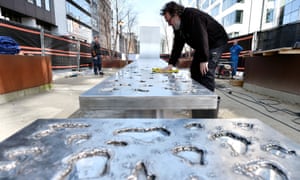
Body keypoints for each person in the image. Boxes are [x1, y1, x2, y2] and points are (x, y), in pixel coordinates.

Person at [160, 1, 228, 91]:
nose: (169, 24)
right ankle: (197, 95)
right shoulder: (178, 26)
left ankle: (208, 101)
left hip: (216, 42)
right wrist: (171, 64)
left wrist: (204, 59)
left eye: (169, 20)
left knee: (205, 71)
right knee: (195, 69)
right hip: (203, 45)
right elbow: (177, 45)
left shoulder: (193, 16)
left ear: (176, 14)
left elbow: (202, 36)